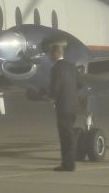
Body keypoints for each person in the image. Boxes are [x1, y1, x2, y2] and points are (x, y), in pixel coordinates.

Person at [47, 38, 80, 172]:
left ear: (55, 53)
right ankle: (69, 163)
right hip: (73, 105)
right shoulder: (71, 66)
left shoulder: (56, 68)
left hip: (63, 107)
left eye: (50, 54)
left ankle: (68, 165)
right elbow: (79, 84)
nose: (49, 56)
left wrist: (49, 97)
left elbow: (56, 87)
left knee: (65, 136)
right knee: (69, 134)